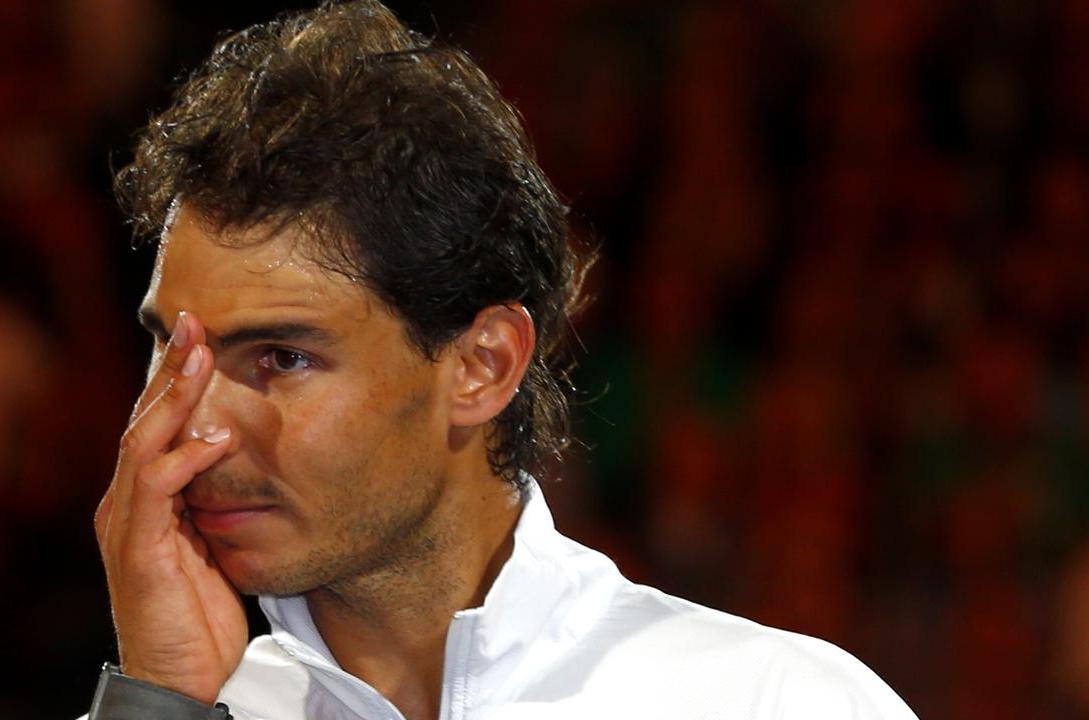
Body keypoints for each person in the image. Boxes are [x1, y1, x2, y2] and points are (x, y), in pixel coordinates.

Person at [82, 2, 919, 718]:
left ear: (482, 365)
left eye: (283, 357)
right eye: (172, 346)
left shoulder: (770, 703)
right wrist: (159, 701)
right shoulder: (177, 701)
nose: (197, 426)